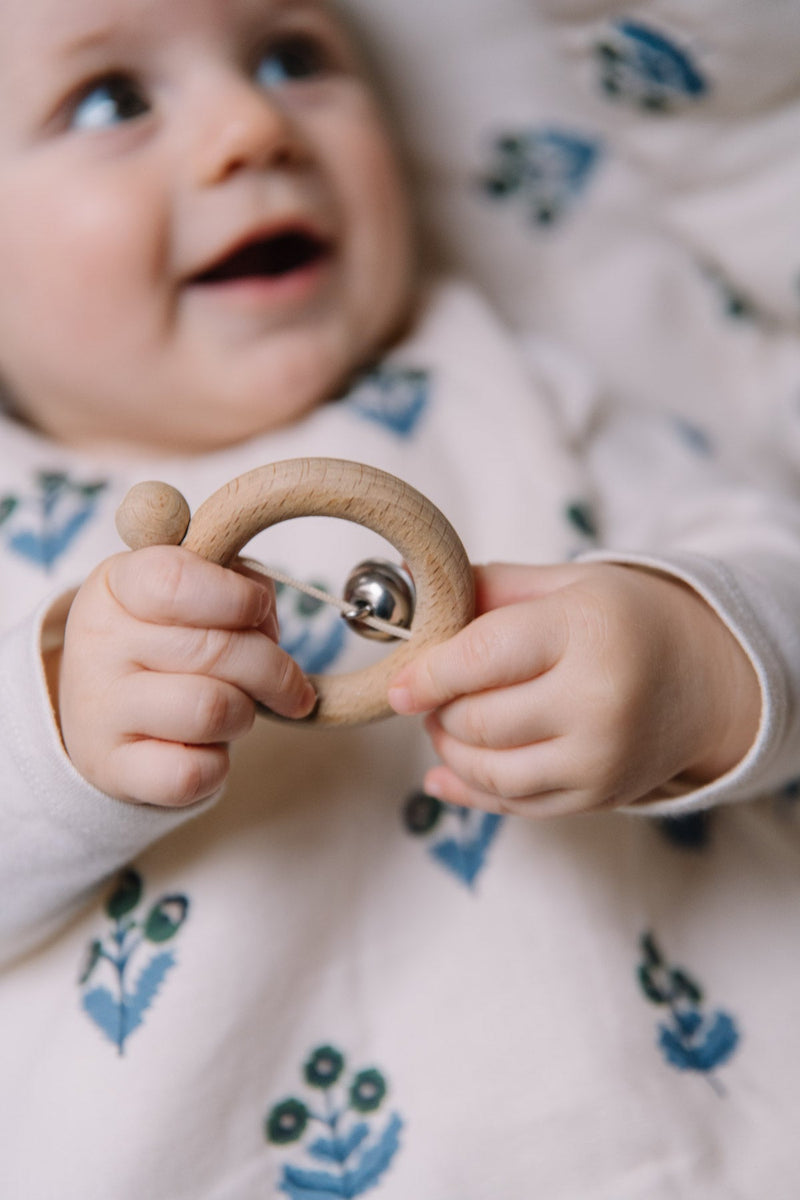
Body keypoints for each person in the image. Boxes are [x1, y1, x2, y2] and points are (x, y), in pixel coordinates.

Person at [1, 0, 800, 1195]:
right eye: (111, 100)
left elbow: (769, 557)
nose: (248, 125)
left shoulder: (512, 380)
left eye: (293, 56)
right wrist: (56, 729)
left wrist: (691, 661)